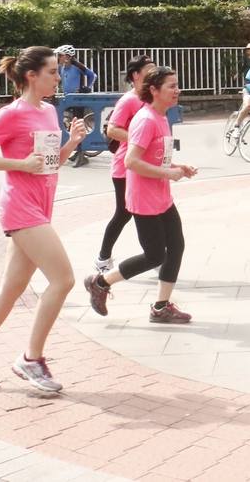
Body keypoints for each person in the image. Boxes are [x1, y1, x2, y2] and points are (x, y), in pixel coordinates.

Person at [0, 46, 87, 393]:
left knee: (11, 288)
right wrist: (20, 164)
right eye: (53, 71)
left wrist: (71, 143)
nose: (59, 77)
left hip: (41, 205)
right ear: (32, 76)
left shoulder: (49, 111)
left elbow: (48, 161)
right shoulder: (10, 113)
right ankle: (31, 358)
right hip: (21, 207)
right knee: (63, 279)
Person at [85, 67, 198, 323]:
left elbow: (157, 156)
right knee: (155, 255)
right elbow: (131, 161)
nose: (177, 90)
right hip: (144, 199)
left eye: (176, 85)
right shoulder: (145, 119)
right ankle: (100, 282)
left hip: (161, 195)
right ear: (154, 90)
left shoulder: (161, 117)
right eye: (171, 86)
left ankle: (161, 307)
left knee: (176, 246)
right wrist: (167, 174)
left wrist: (177, 167)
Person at [93, 54, 156, 274]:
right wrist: (139, 138)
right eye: (149, 69)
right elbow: (112, 130)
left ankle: (155, 255)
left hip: (144, 164)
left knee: (148, 209)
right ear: (136, 75)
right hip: (125, 167)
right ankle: (103, 258)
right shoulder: (129, 100)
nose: (154, 71)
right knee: (124, 213)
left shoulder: (151, 98)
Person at [55, 45, 97, 166]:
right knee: (71, 124)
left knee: (78, 125)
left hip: (78, 99)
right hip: (69, 99)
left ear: (67, 56)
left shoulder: (77, 65)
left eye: (60, 55)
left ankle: (81, 153)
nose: (59, 58)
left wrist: (86, 88)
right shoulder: (61, 67)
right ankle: (77, 151)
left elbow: (93, 75)